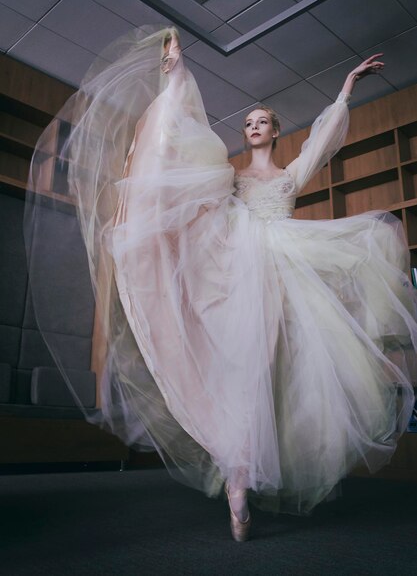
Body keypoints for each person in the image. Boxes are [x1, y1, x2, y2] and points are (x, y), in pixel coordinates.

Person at [26, 27, 416, 542]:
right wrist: (177, 74)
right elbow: (181, 165)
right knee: (239, 369)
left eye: (262, 122)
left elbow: (321, 144)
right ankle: (237, 477)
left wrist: (345, 89)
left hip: (281, 271)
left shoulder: (289, 177)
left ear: (275, 131)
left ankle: (246, 471)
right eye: (249, 123)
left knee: (273, 374)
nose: (252, 127)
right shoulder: (228, 180)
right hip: (236, 276)